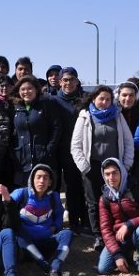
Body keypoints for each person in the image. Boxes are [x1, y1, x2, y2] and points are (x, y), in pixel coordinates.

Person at [71, 86, 134, 251]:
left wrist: (125, 165)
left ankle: (114, 233)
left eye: (108, 99)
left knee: (115, 200)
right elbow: (76, 146)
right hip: (92, 167)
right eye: (101, 99)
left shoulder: (118, 116)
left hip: (115, 168)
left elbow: (128, 142)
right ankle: (98, 235)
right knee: (93, 202)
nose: (104, 102)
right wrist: (85, 167)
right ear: (94, 99)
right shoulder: (85, 117)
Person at [11, 164, 73, 276]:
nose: (41, 181)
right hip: (25, 247)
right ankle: (49, 269)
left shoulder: (53, 197)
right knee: (17, 233)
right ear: (32, 179)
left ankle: (55, 267)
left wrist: (55, 227)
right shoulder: (21, 193)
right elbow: (6, 209)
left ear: (50, 182)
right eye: (38, 177)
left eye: (45, 178)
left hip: (46, 243)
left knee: (68, 233)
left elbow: (59, 216)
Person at [97, 158, 139, 276]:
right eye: (107, 174)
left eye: (115, 173)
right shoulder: (104, 198)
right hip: (120, 237)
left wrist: (128, 224)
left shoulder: (138, 188)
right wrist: (117, 255)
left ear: (122, 172)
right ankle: (126, 256)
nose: (111, 177)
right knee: (103, 269)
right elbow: (105, 229)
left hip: (138, 231)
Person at [52, 67, 89, 233]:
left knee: (80, 186)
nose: (68, 83)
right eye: (65, 80)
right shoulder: (52, 100)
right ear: (60, 82)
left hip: (80, 150)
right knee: (62, 187)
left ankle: (82, 221)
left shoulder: (85, 99)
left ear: (77, 81)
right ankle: (65, 222)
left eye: (71, 79)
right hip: (58, 151)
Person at [9, 76, 60, 186]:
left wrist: (48, 149)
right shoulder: (16, 108)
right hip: (22, 158)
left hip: (42, 157)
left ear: (36, 90)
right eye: (23, 89)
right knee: (23, 192)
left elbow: (56, 128)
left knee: (43, 191)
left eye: (29, 89)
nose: (26, 92)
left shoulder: (46, 105)